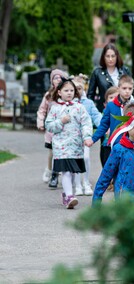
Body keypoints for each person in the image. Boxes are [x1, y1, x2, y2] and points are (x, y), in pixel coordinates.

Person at [45, 79, 93, 209]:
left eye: (72, 90)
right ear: (59, 92)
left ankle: (66, 194)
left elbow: (86, 123)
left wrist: (87, 137)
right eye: (66, 90)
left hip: (76, 146)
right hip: (61, 147)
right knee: (66, 171)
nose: (69, 93)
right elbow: (49, 126)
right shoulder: (55, 108)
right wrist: (61, 121)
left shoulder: (79, 107)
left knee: (72, 172)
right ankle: (70, 196)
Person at [37, 69, 68, 188]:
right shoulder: (48, 96)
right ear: (52, 81)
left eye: (60, 78)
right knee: (52, 152)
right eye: (55, 78)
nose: (58, 80)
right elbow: (42, 110)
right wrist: (40, 122)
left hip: (65, 129)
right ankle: (49, 169)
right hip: (52, 129)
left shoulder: (66, 93)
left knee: (62, 153)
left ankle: (56, 174)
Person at [91, 74, 134, 155]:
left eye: (130, 88)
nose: (127, 91)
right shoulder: (111, 105)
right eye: (124, 88)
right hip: (116, 144)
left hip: (132, 144)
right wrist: (93, 139)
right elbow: (104, 125)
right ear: (118, 89)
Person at [72, 76, 102, 196]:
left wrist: (103, 125)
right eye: (75, 88)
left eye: (80, 88)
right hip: (73, 136)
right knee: (75, 159)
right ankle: (77, 184)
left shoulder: (88, 103)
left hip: (85, 136)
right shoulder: (70, 103)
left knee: (86, 158)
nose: (78, 90)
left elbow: (96, 115)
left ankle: (86, 181)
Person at [87, 42, 131, 112]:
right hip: (104, 110)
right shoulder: (97, 72)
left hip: (124, 110)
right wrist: (93, 111)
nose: (110, 59)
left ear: (117, 56)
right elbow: (90, 95)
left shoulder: (125, 71)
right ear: (103, 57)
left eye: (113, 56)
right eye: (108, 56)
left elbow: (131, 92)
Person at [100, 86, 120, 167]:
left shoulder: (121, 111)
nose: (113, 99)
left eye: (115, 97)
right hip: (106, 144)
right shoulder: (104, 113)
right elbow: (101, 125)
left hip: (118, 143)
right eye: (111, 97)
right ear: (105, 102)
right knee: (106, 164)